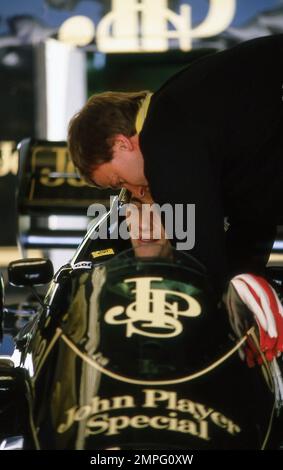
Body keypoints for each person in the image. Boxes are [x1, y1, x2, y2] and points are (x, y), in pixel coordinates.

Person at [68, 34, 283, 294]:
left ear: (121, 144)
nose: (136, 191)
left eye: (120, 181)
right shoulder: (182, 108)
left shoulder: (164, 140)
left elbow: (199, 266)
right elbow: (253, 219)